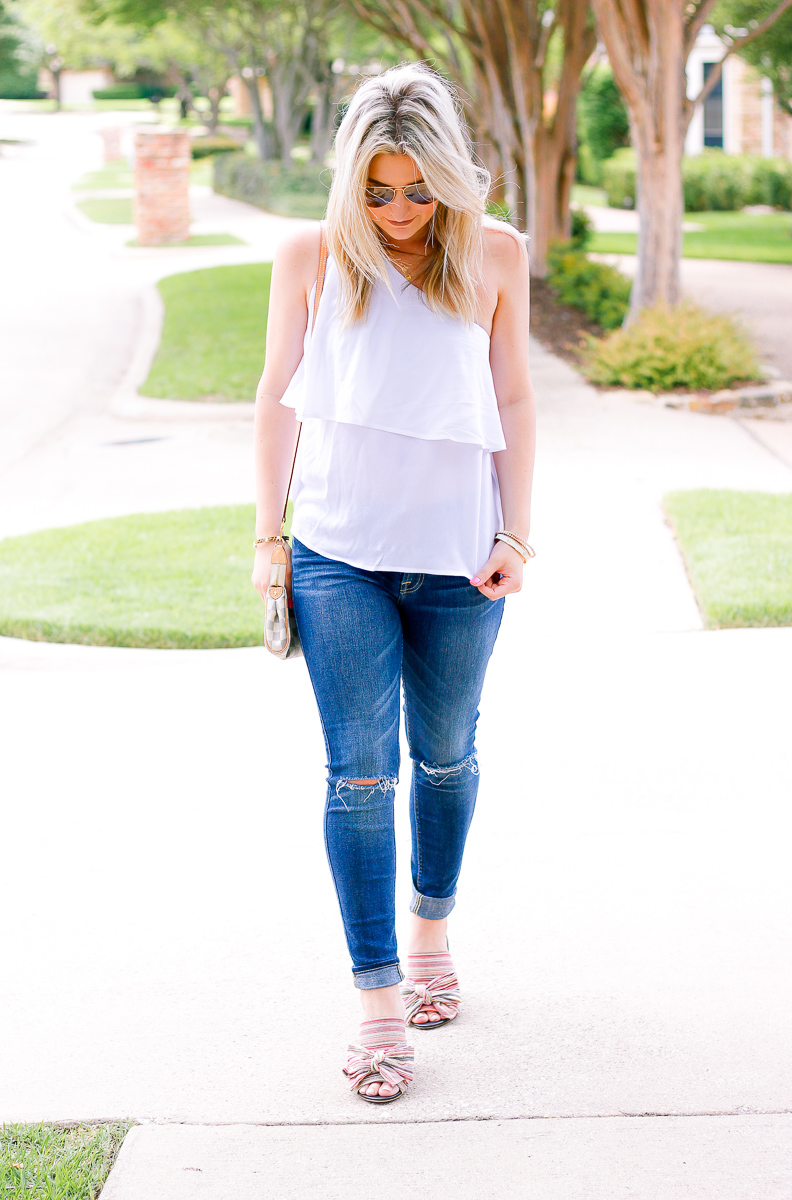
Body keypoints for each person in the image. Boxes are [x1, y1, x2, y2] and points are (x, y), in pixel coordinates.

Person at [252, 62, 536, 1104]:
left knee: (446, 757)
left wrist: (515, 528)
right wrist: (267, 537)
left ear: (451, 182)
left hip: (461, 558)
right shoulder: (313, 258)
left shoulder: (494, 255)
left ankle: (430, 935)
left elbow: (512, 394)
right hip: (335, 555)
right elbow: (276, 402)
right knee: (358, 776)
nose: (400, 211)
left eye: (418, 190)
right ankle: (377, 1001)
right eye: (377, 190)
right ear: (349, 186)